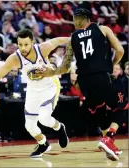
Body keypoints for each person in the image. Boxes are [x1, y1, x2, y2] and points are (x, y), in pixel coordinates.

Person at [37, 8, 129, 161]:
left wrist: (50, 73)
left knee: (100, 111)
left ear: (85, 18)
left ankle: (109, 146)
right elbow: (120, 50)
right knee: (122, 105)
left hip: (84, 82)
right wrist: (111, 64)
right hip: (101, 76)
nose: (73, 22)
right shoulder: (103, 29)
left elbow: (65, 67)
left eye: (75, 19)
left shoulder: (73, 37)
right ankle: (109, 138)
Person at [0, 28, 69, 157]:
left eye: (26, 44)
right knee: (29, 125)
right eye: (20, 45)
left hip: (49, 86)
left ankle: (59, 127)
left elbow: (60, 40)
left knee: (43, 118)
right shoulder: (15, 58)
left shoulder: (43, 48)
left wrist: (77, 38)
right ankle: (43, 143)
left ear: (32, 42)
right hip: (33, 90)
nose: (23, 48)